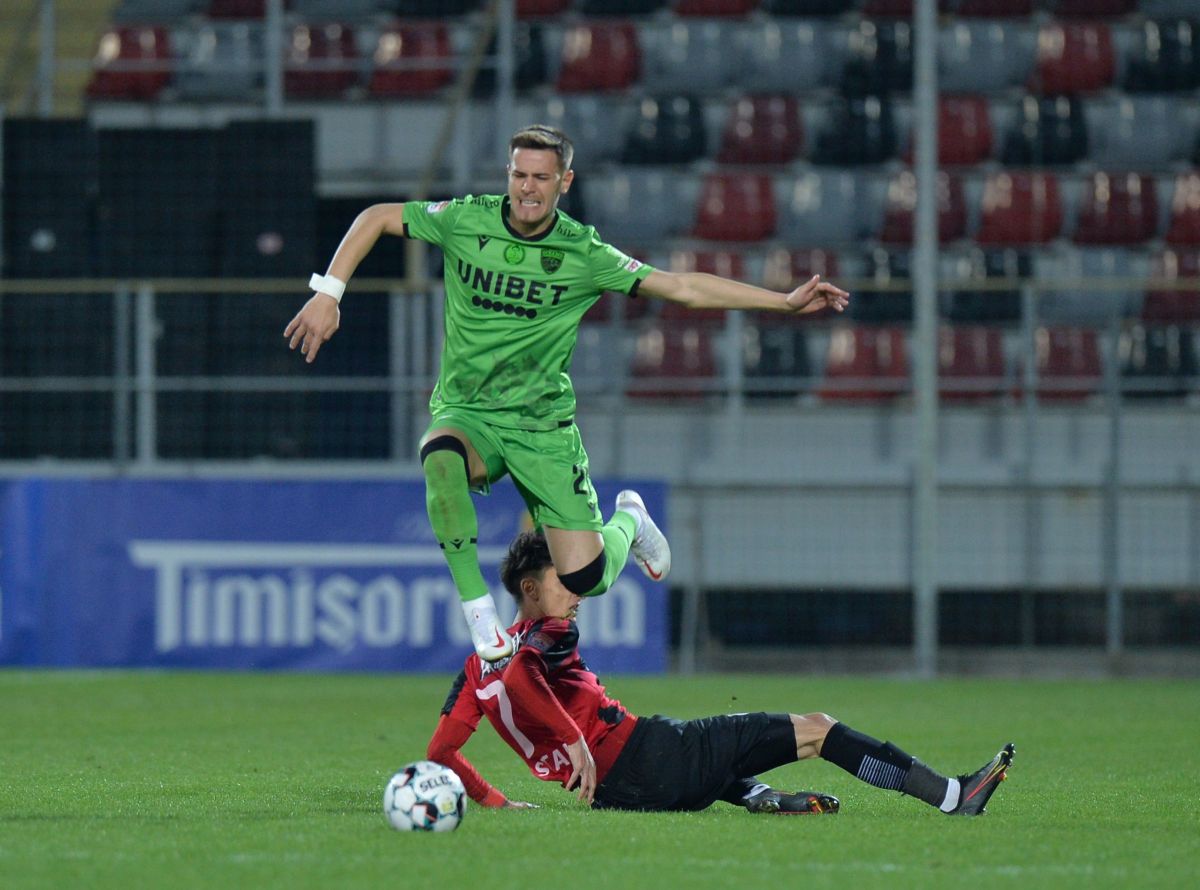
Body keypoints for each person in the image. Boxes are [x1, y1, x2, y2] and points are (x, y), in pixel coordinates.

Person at [284, 124, 850, 662]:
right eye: (519, 175)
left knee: (585, 577)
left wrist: (781, 302)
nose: (527, 188)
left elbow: (682, 287)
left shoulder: (584, 253)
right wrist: (329, 292)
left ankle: (630, 521)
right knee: (440, 454)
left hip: (542, 430)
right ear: (508, 175)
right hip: (469, 412)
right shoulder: (464, 219)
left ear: (565, 182)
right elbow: (376, 217)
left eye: (541, 177)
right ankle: (479, 613)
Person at [426, 530, 1016, 816]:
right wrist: (575, 739)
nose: (578, 591)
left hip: (618, 793)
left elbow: (441, 754)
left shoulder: (475, 669)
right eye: (564, 581)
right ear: (529, 589)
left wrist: (496, 802)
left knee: (709, 745)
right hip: (647, 759)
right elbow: (525, 676)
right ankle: (953, 796)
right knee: (817, 728)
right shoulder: (550, 633)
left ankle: (758, 795)